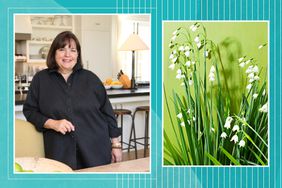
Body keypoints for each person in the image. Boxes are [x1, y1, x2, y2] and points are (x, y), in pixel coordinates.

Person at [23, 31, 122, 170]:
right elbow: (29, 111)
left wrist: (115, 145)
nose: (67, 55)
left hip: (95, 150)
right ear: (54, 53)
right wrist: (52, 123)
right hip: (60, 152)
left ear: (78, 55)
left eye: (73, 50)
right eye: (62, 49)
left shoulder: (91, 79)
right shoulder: (40, 80)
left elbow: (108, 113)